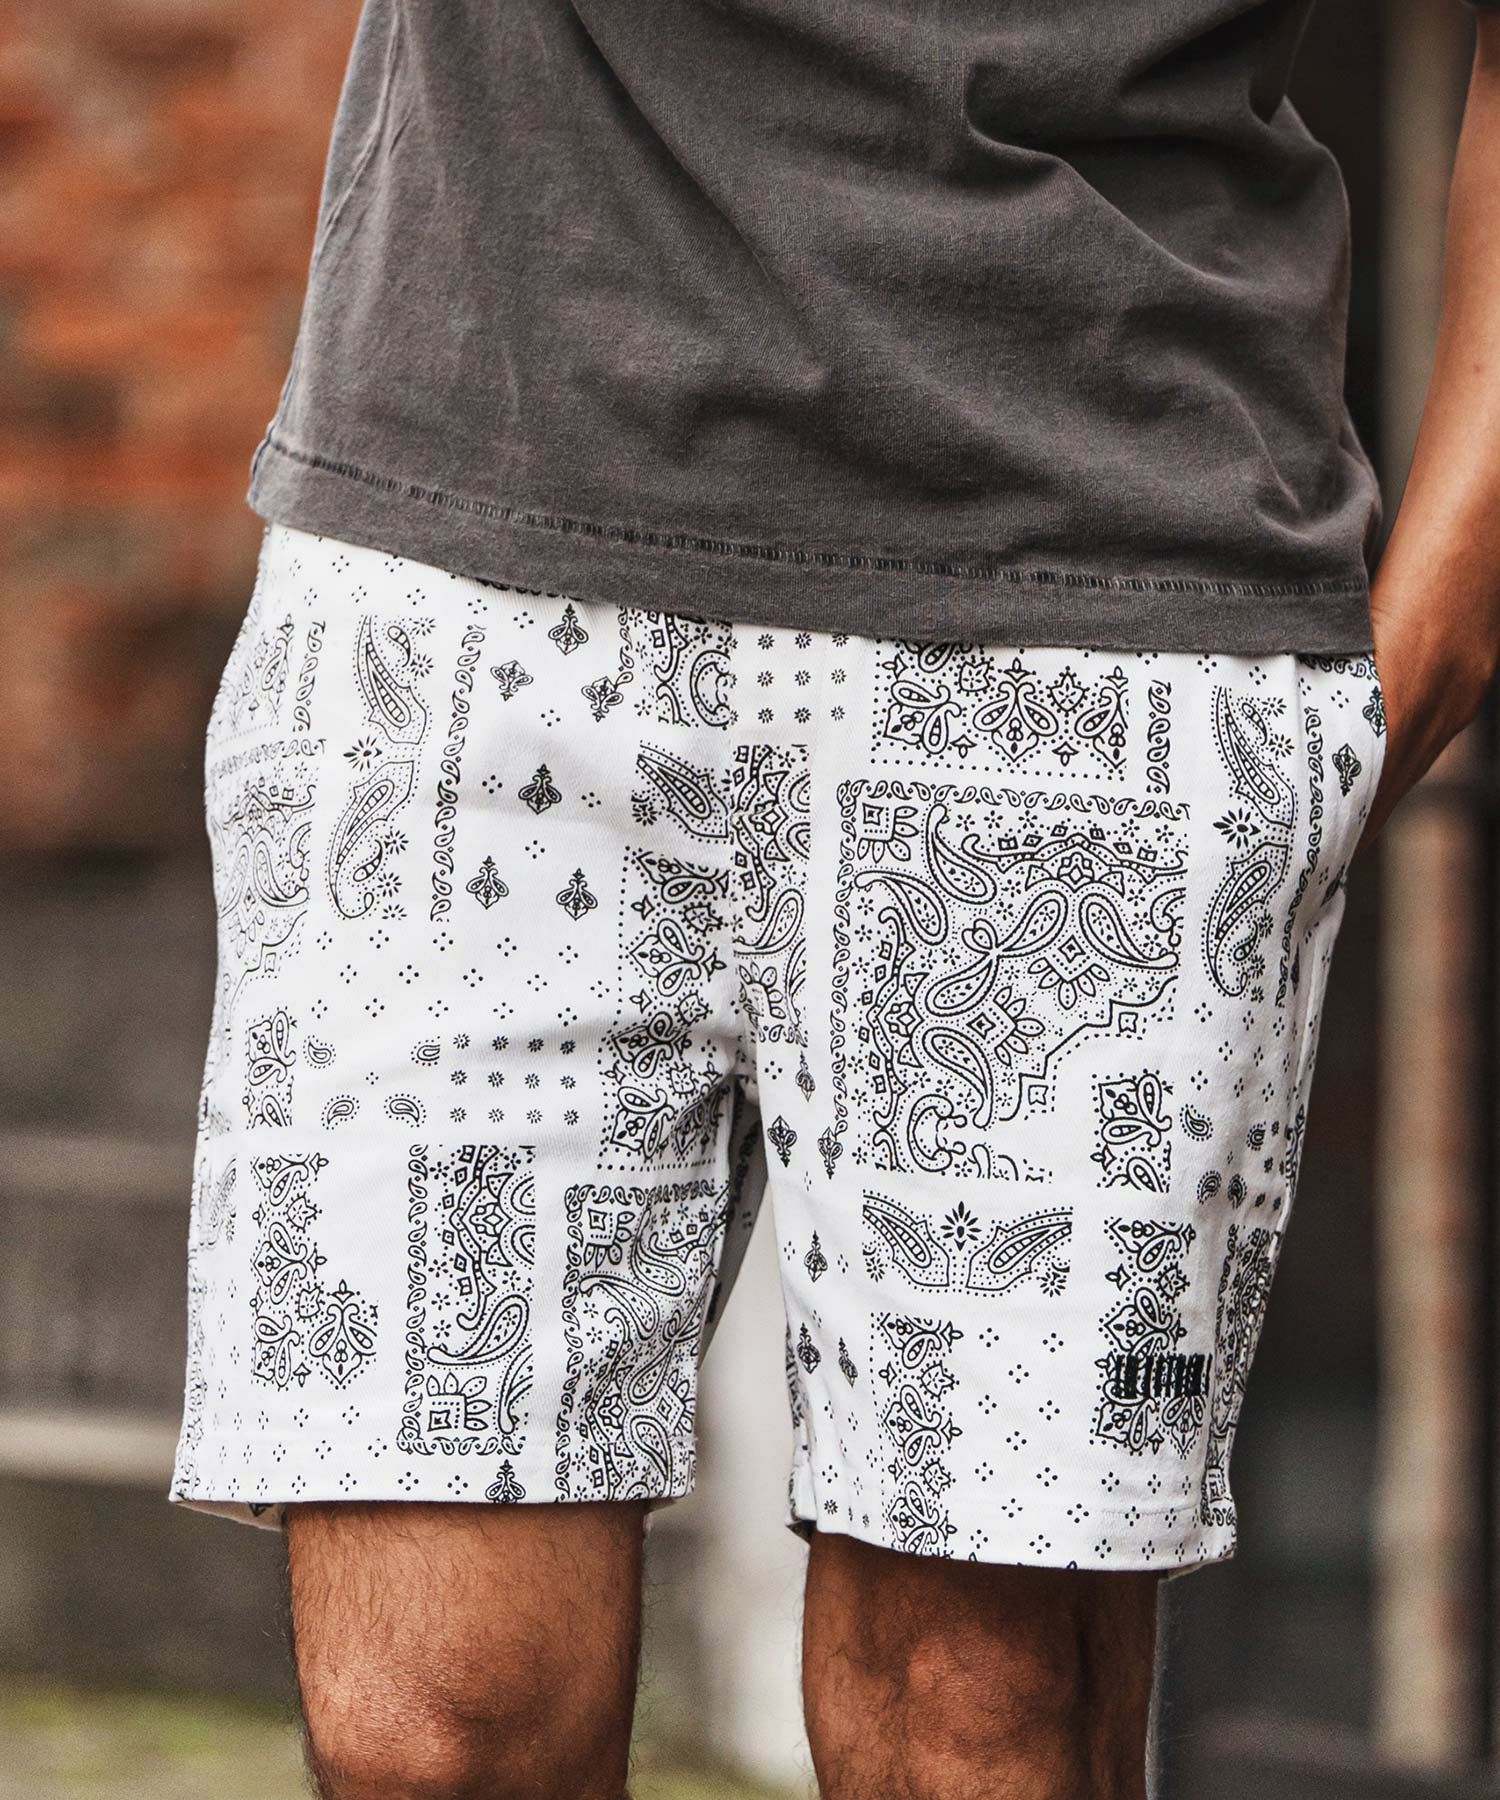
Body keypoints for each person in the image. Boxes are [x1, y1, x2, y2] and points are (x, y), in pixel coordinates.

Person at [170, 2, 1500, 1794]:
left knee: (982, 1725)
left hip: (1085, 622)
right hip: (466, 574)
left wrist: (1430, 646)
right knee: (431, 1734)